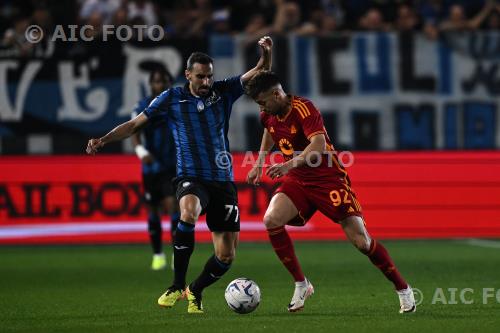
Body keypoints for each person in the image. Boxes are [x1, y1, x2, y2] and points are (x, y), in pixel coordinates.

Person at [86, 36, 273, 313]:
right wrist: (104, 139)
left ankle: (194, 291)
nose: (206, 82)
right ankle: (175, 285)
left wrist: (266, 54)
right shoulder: (171, 98)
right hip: (191, 176)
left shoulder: (223, 92)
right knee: (188, 212)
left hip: (222, 180)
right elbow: (135, 124)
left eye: (209, 76)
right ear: (188, 75)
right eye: (200, 77)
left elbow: (259, 72)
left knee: (227, 254)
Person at [245, 71, 416, 313]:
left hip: (329, 180)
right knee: (271, 219)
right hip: (299, 180)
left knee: (361, 241)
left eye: (262, 102)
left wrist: (287, 164)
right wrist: (259, 163)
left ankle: (403, 289)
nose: (261, 108)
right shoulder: (269, 113)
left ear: (276, 94)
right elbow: (268, 131)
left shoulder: (304, 109)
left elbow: (318, 145)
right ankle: (301, 284)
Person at [130, 67, 180, 271]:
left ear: (170, 83)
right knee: (153, 210)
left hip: (172, 165)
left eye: (165, 81)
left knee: (174, 207)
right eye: (157, 81)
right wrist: (141, 152)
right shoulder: (142, 106)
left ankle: (178, 254)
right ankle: (158, 254)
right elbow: (134, 131)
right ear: (151, 84)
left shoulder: (177, 104)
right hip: (151, 167)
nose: (161, 85)